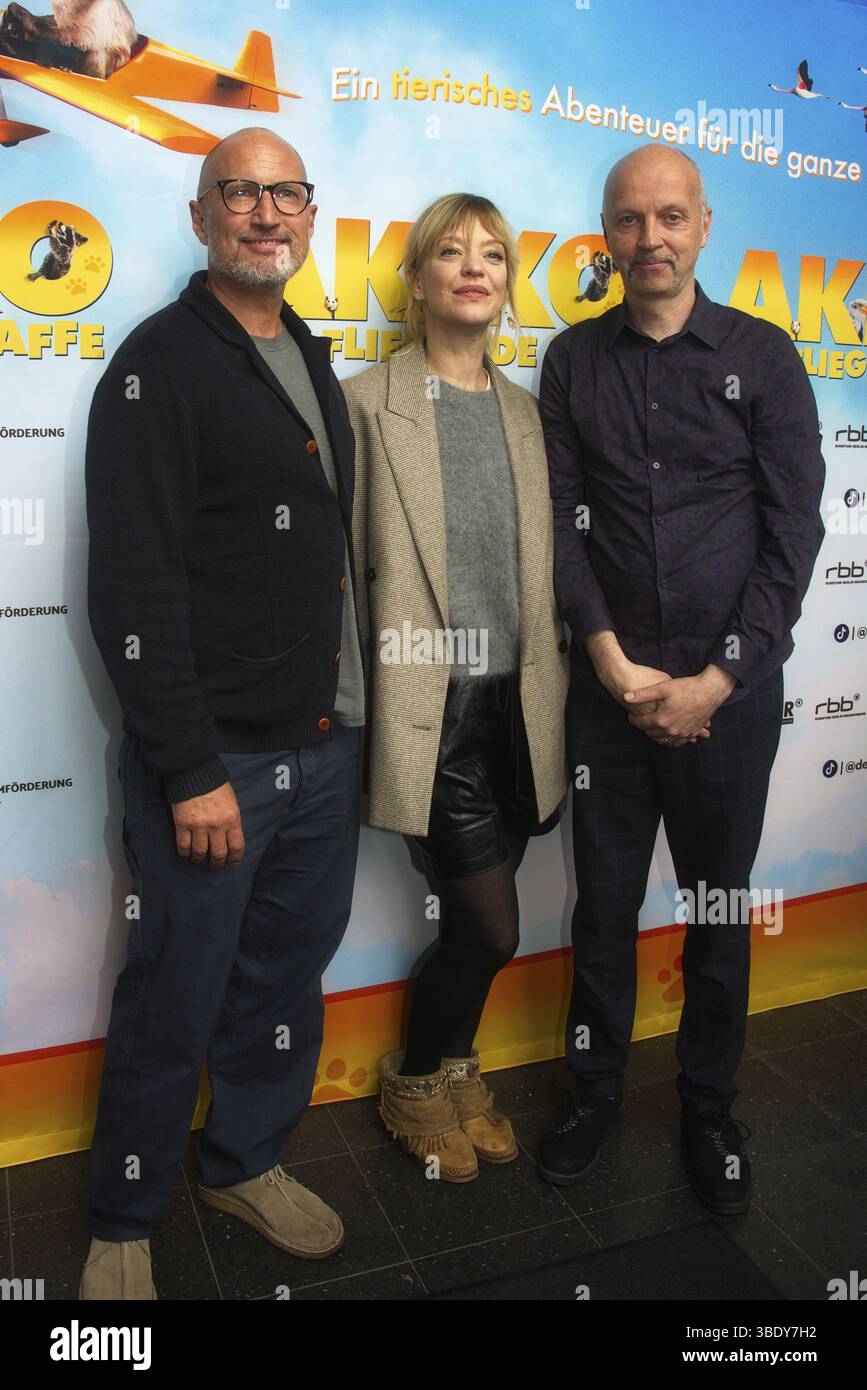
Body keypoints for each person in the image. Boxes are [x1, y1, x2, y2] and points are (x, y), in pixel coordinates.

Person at [81, 127, 364, 1298]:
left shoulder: (306, 348)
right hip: (214, 763)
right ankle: (122, 1220)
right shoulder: (158, 362)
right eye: (238, 193)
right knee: (174, 989)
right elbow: (134, 584)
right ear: (201, 217)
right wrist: (189, 766)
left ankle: (244, 1159)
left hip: (320, 750)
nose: (265, 213)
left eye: (285, 194)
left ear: (308, 215)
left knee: (282, 977)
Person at [537, 143, 825, 1212]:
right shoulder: (572, 362)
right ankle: (593, 1093)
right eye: (627, 219)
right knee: (603, 908)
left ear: (704, 225)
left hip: (729, 703)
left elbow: (793, 535)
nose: (648, 237)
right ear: (605, 236)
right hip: (608, 699)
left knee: (715, 908)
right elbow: (564, 531)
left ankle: (709, 1105)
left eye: (669, 216)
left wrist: (717, 680)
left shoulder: (766, 355)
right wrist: (611, 663)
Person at [342, 194, 570, 1183]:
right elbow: (341, 574)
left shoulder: (527, 413)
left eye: (490, 255)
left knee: (483, 915)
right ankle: (416, 1079)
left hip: (520, 706)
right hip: (429, 713)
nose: (471, 268)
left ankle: (460, 1062)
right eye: (449, 252)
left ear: (508, 283)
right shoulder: (363, 404)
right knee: (489, 922)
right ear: (420, 278)